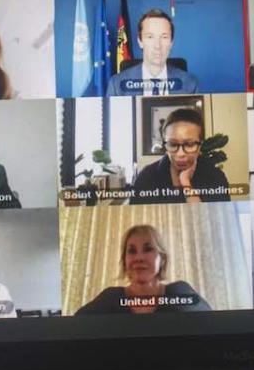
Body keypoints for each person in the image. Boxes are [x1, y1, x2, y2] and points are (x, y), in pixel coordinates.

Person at [75, 224, 212, 315]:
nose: (138, 258)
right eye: (131, 251)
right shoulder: (110, 298)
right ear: (124, 260)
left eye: (148, 249)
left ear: (162, 258)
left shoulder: (179, 292)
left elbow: (212, 327)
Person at [130, 107, 232, 203]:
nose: (180, 153)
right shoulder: (147, 177)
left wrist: (186, 182)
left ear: (200, 145)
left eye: (190, 144)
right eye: (173, 144)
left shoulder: (214, 176)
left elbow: (212, 220)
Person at [107, 9, 198, 96]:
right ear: (140, 41)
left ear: (171, 43)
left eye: (164, 37)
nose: (157, 46)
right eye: (150, 37)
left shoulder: (190, 84)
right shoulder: (116, 85)